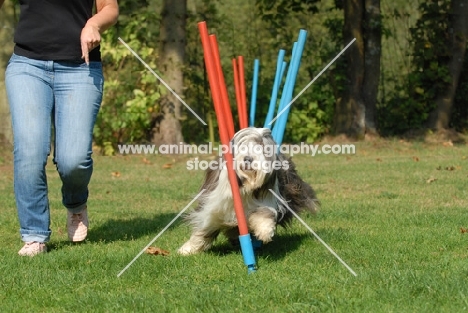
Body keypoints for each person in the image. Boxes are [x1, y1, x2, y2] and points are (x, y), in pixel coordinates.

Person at [1, 0, 119, 256]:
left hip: (81, 68)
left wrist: (93, 23)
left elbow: (110, 8)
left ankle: (76, 203)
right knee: (30, 152)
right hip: (27, 66)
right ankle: (34, 235)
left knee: (73, 159)